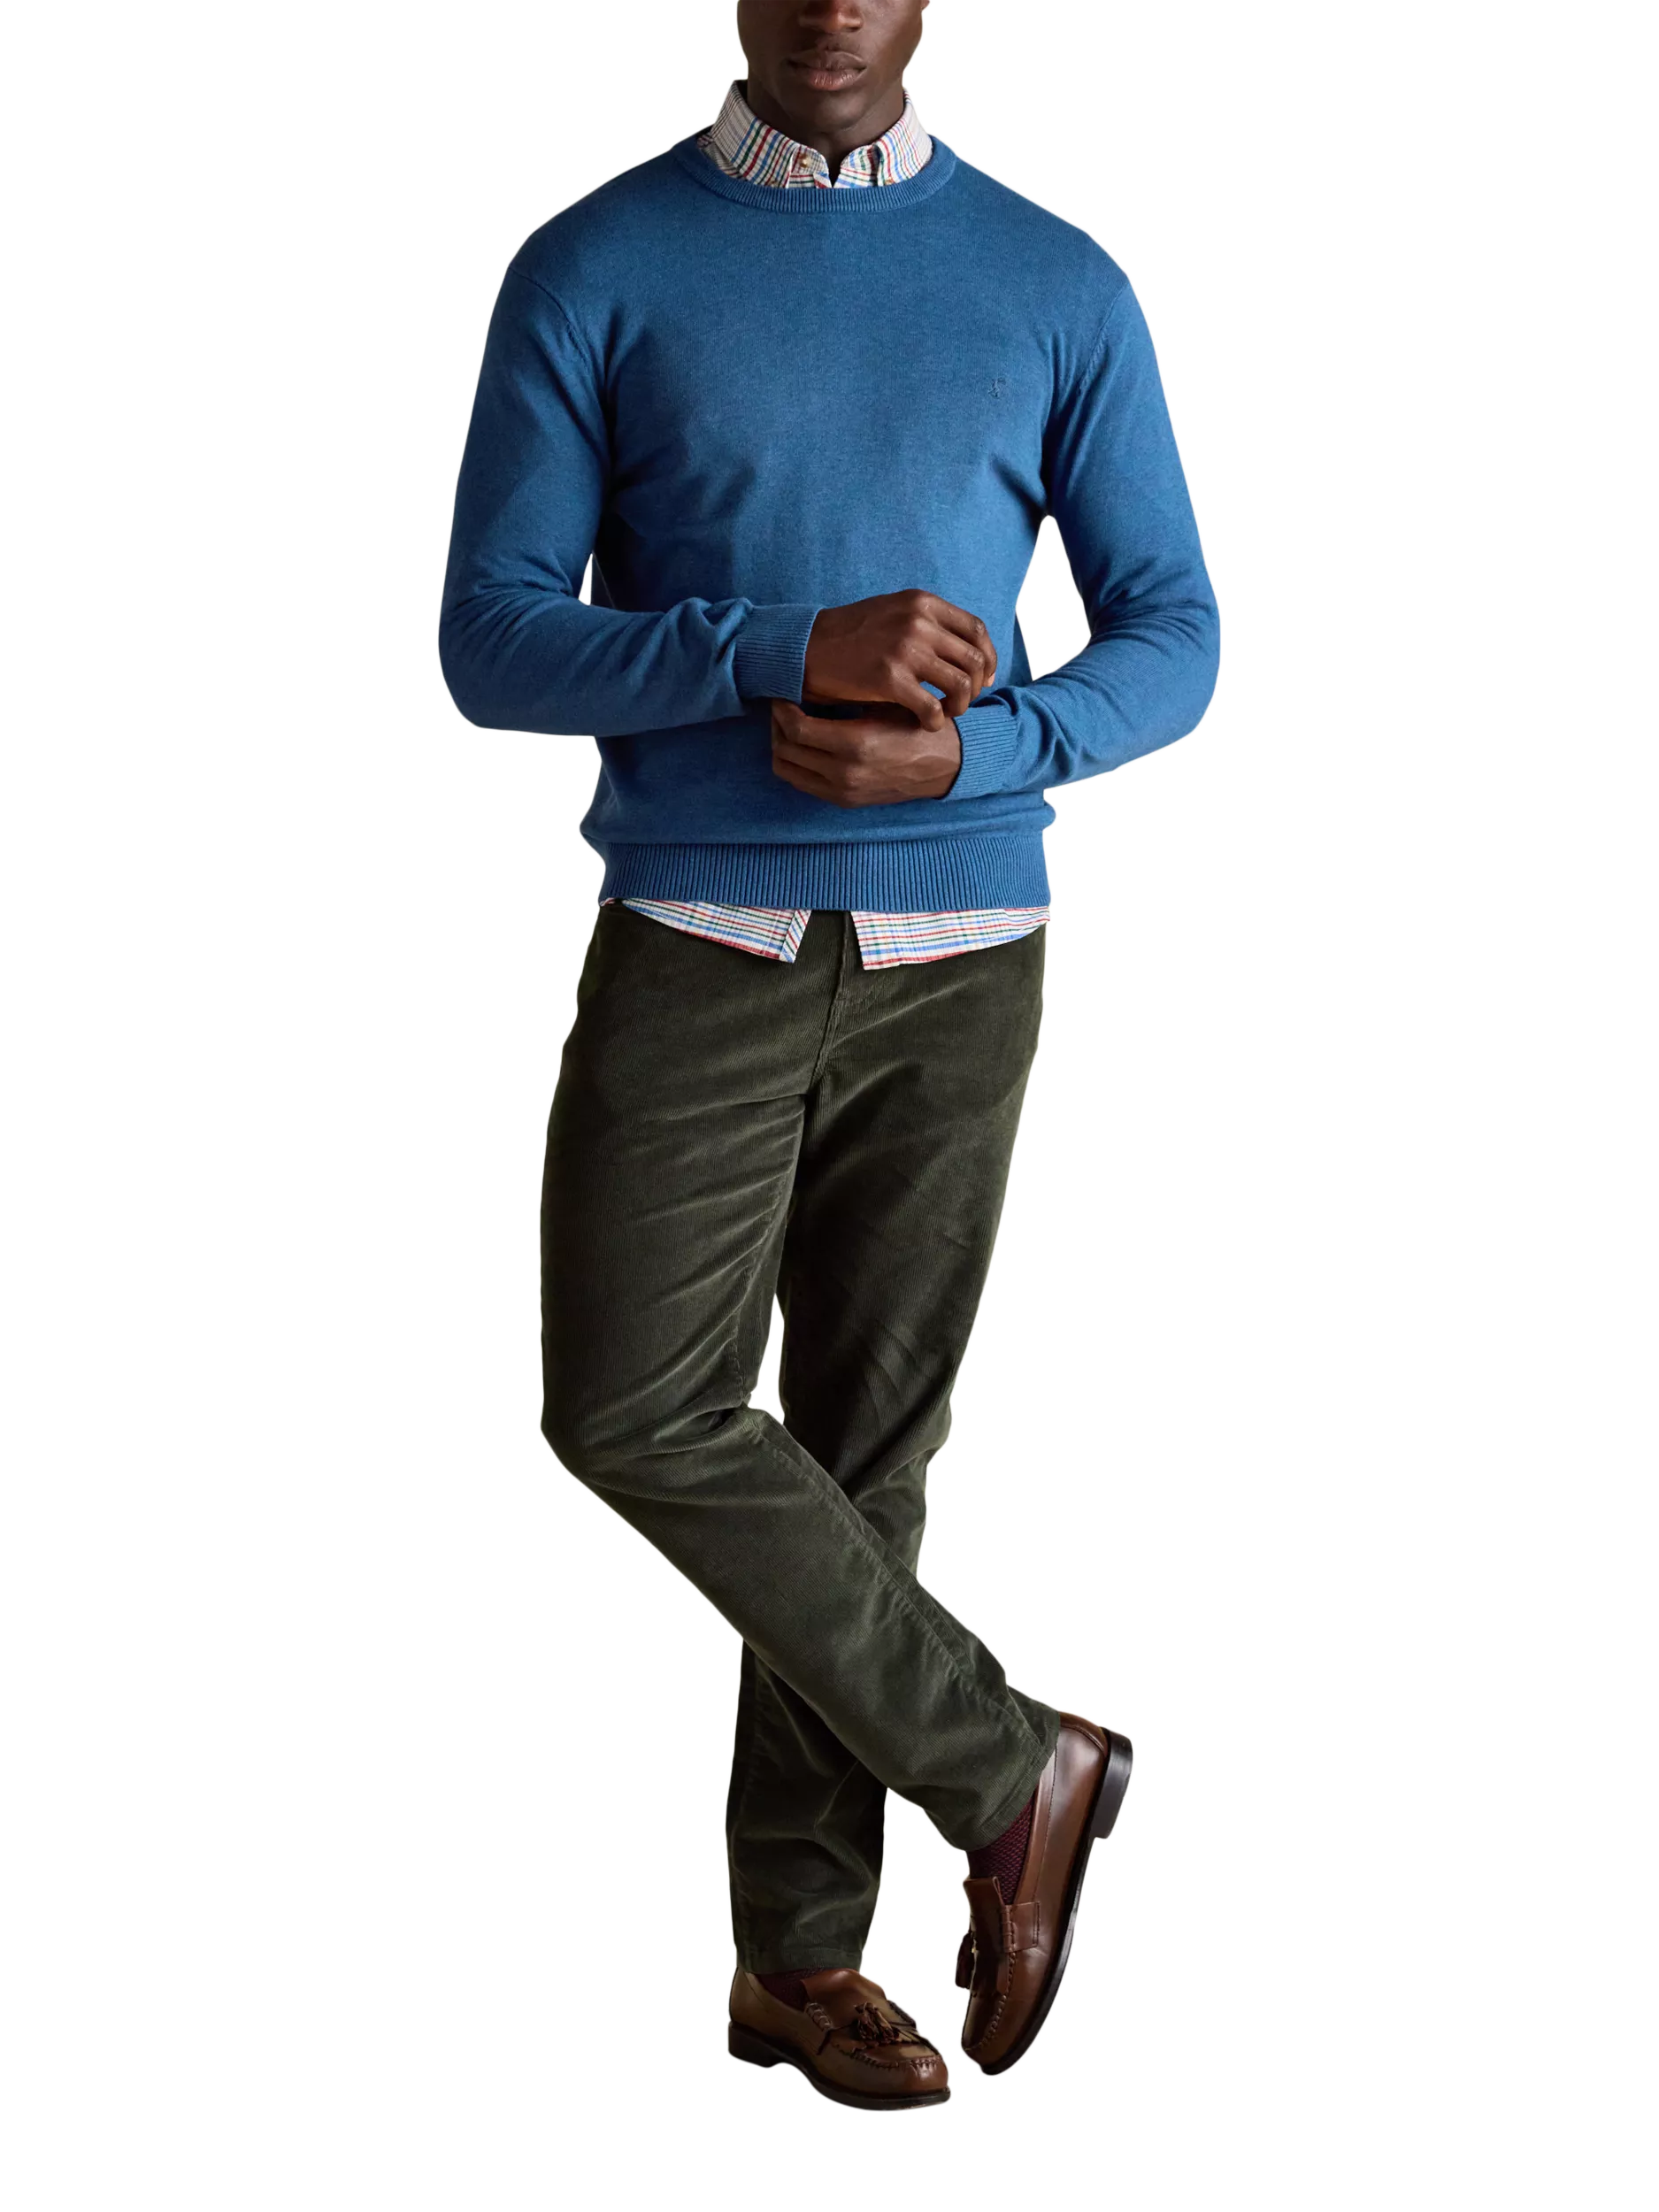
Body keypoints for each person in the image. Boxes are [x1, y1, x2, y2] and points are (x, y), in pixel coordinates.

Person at [440, 0, 1218, 2111]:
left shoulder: (1054, 281)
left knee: (867, 1462)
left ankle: (800, 1959)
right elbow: (490, 634)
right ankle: (1011, 1763)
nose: (829, 3)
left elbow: (1175, 631)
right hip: (696, 936)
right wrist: (776, 649)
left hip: (967, 952)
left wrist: (985, 748)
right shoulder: (596, 265)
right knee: (633, 1404)